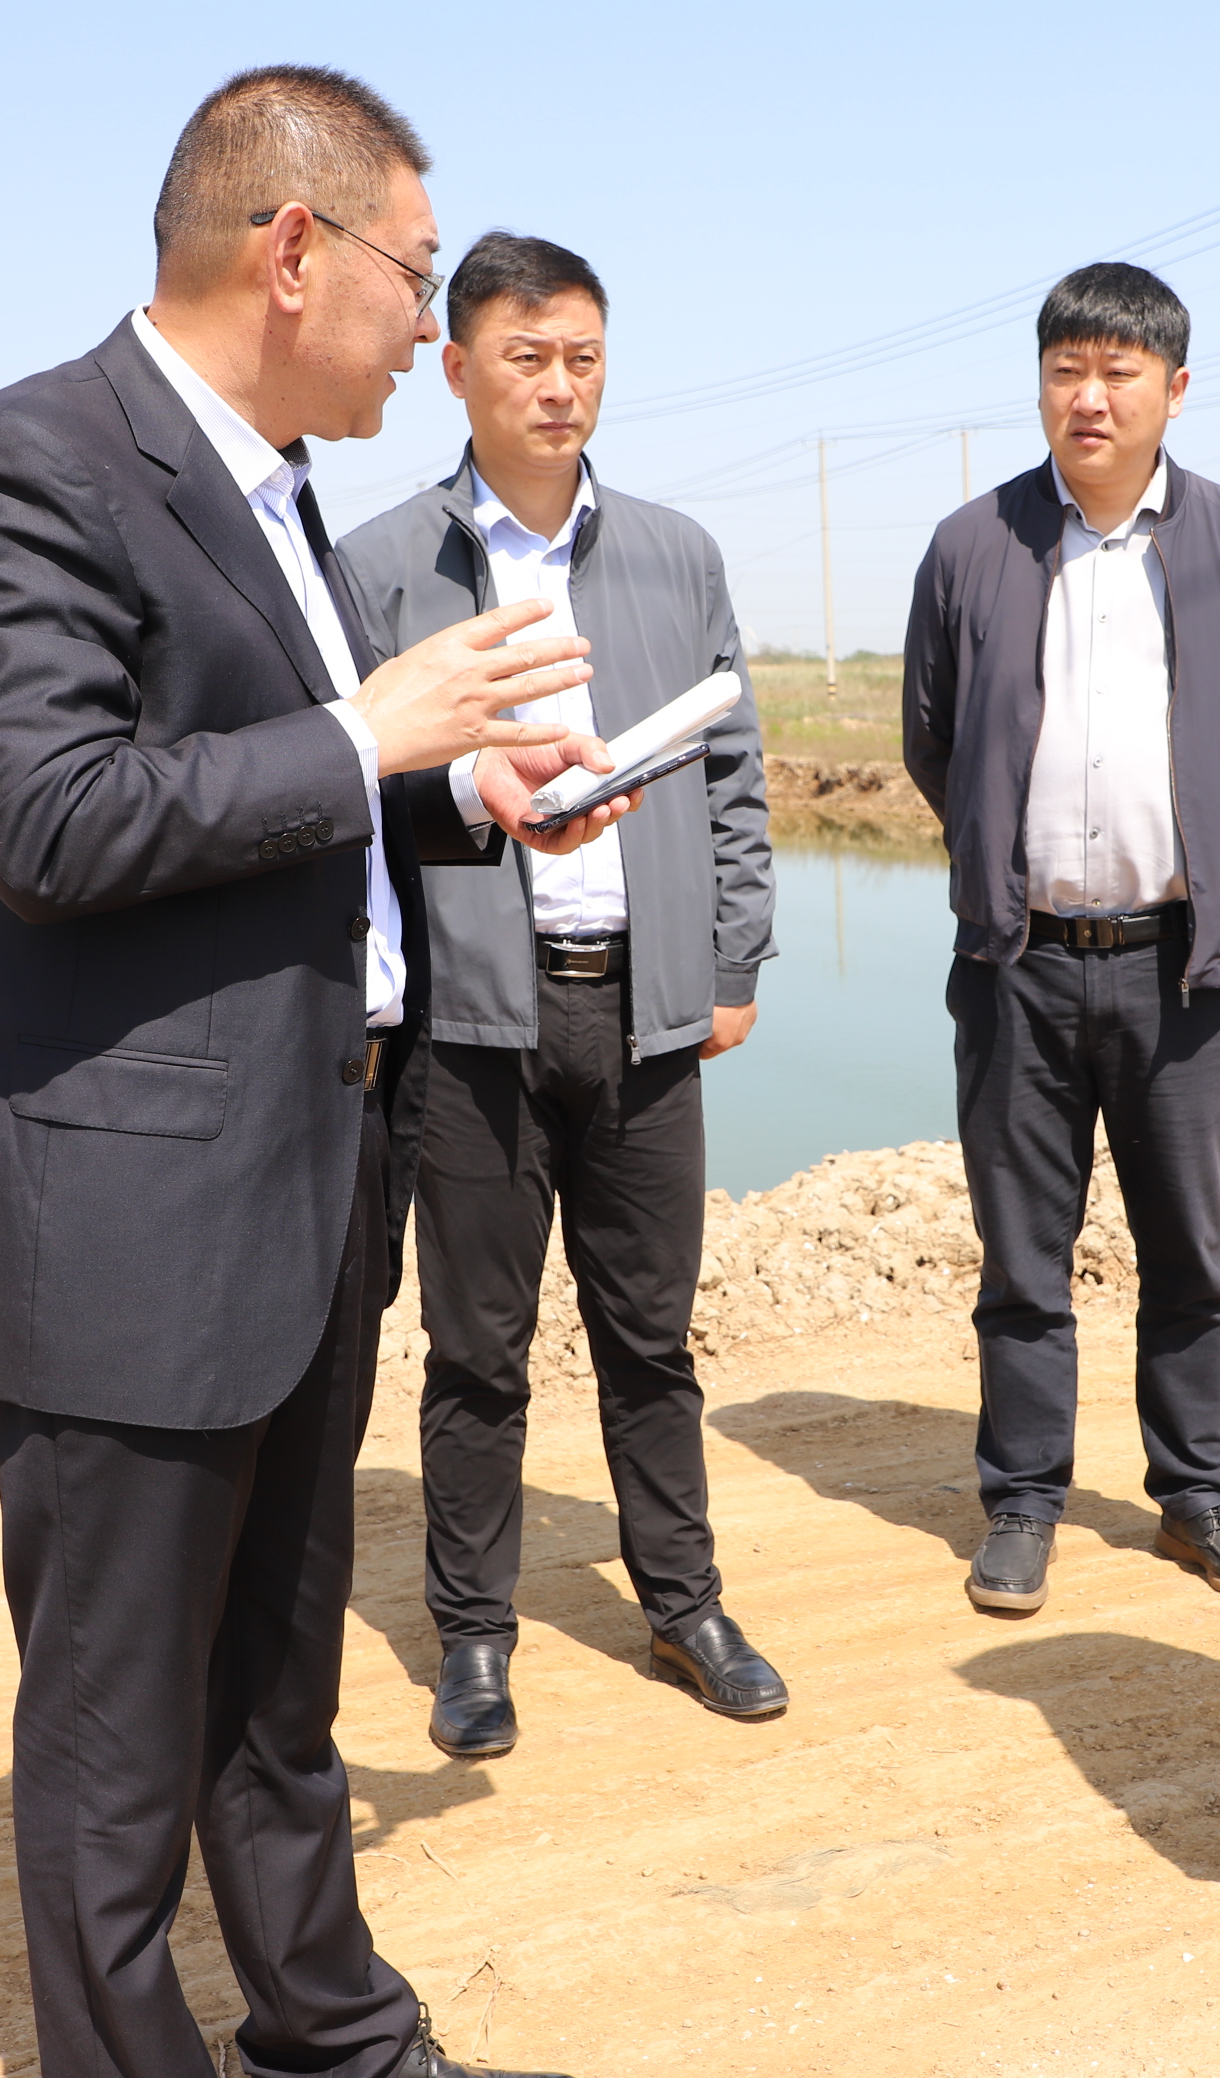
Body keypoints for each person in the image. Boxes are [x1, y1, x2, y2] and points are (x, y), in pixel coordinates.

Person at [0, 66, 631, 2078]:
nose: (430, 324)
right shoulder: (30, 467)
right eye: (416, 274)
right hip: (136, 1215)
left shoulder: (277, 486)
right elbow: (46, 818)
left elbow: (285, 799)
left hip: (316, 1177)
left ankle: (333, 2038)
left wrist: (464, 796)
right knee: (118, 1735)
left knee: (278, 1688)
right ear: (294, 251)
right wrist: (373, 735)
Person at [337, 232, 785, 1757]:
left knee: (652, 1338)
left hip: (644, 1010)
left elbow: (735, 774)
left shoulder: (675, 554)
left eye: (583, 358)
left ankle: (685, 1603)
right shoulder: (383, 567)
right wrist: (473, 786)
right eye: (526, 358)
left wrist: (730, 961)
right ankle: (474, 1636)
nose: (559, 387)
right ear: (456, 368)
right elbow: (351, 794)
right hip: (473, 1021)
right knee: (478, 1353)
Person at [901, 262, 1220, 1617]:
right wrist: (1002, 854)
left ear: (1174, 389)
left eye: (1118, 372)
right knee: (1022, 1256)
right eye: (1065, 371)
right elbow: (933, 741)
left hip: (1183, 964)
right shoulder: (971, 544)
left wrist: (1210, 845)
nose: (1088, 398)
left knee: (1188, 1249)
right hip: (1018, 961)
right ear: (1040, 385)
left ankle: (1199, 1493)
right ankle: (1023, 1498)